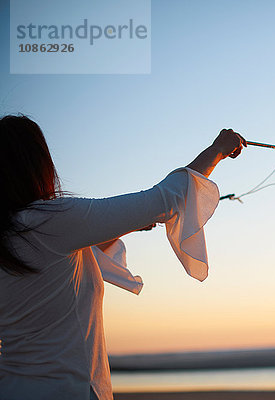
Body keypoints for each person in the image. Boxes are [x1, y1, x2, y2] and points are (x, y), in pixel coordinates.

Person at [0, 115, 246, 400]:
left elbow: (55, 266)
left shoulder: (23, 232)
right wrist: (217, 149)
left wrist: (124, 227)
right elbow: (165, 200)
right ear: (37, 165)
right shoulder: (50, 221)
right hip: (70, 390)